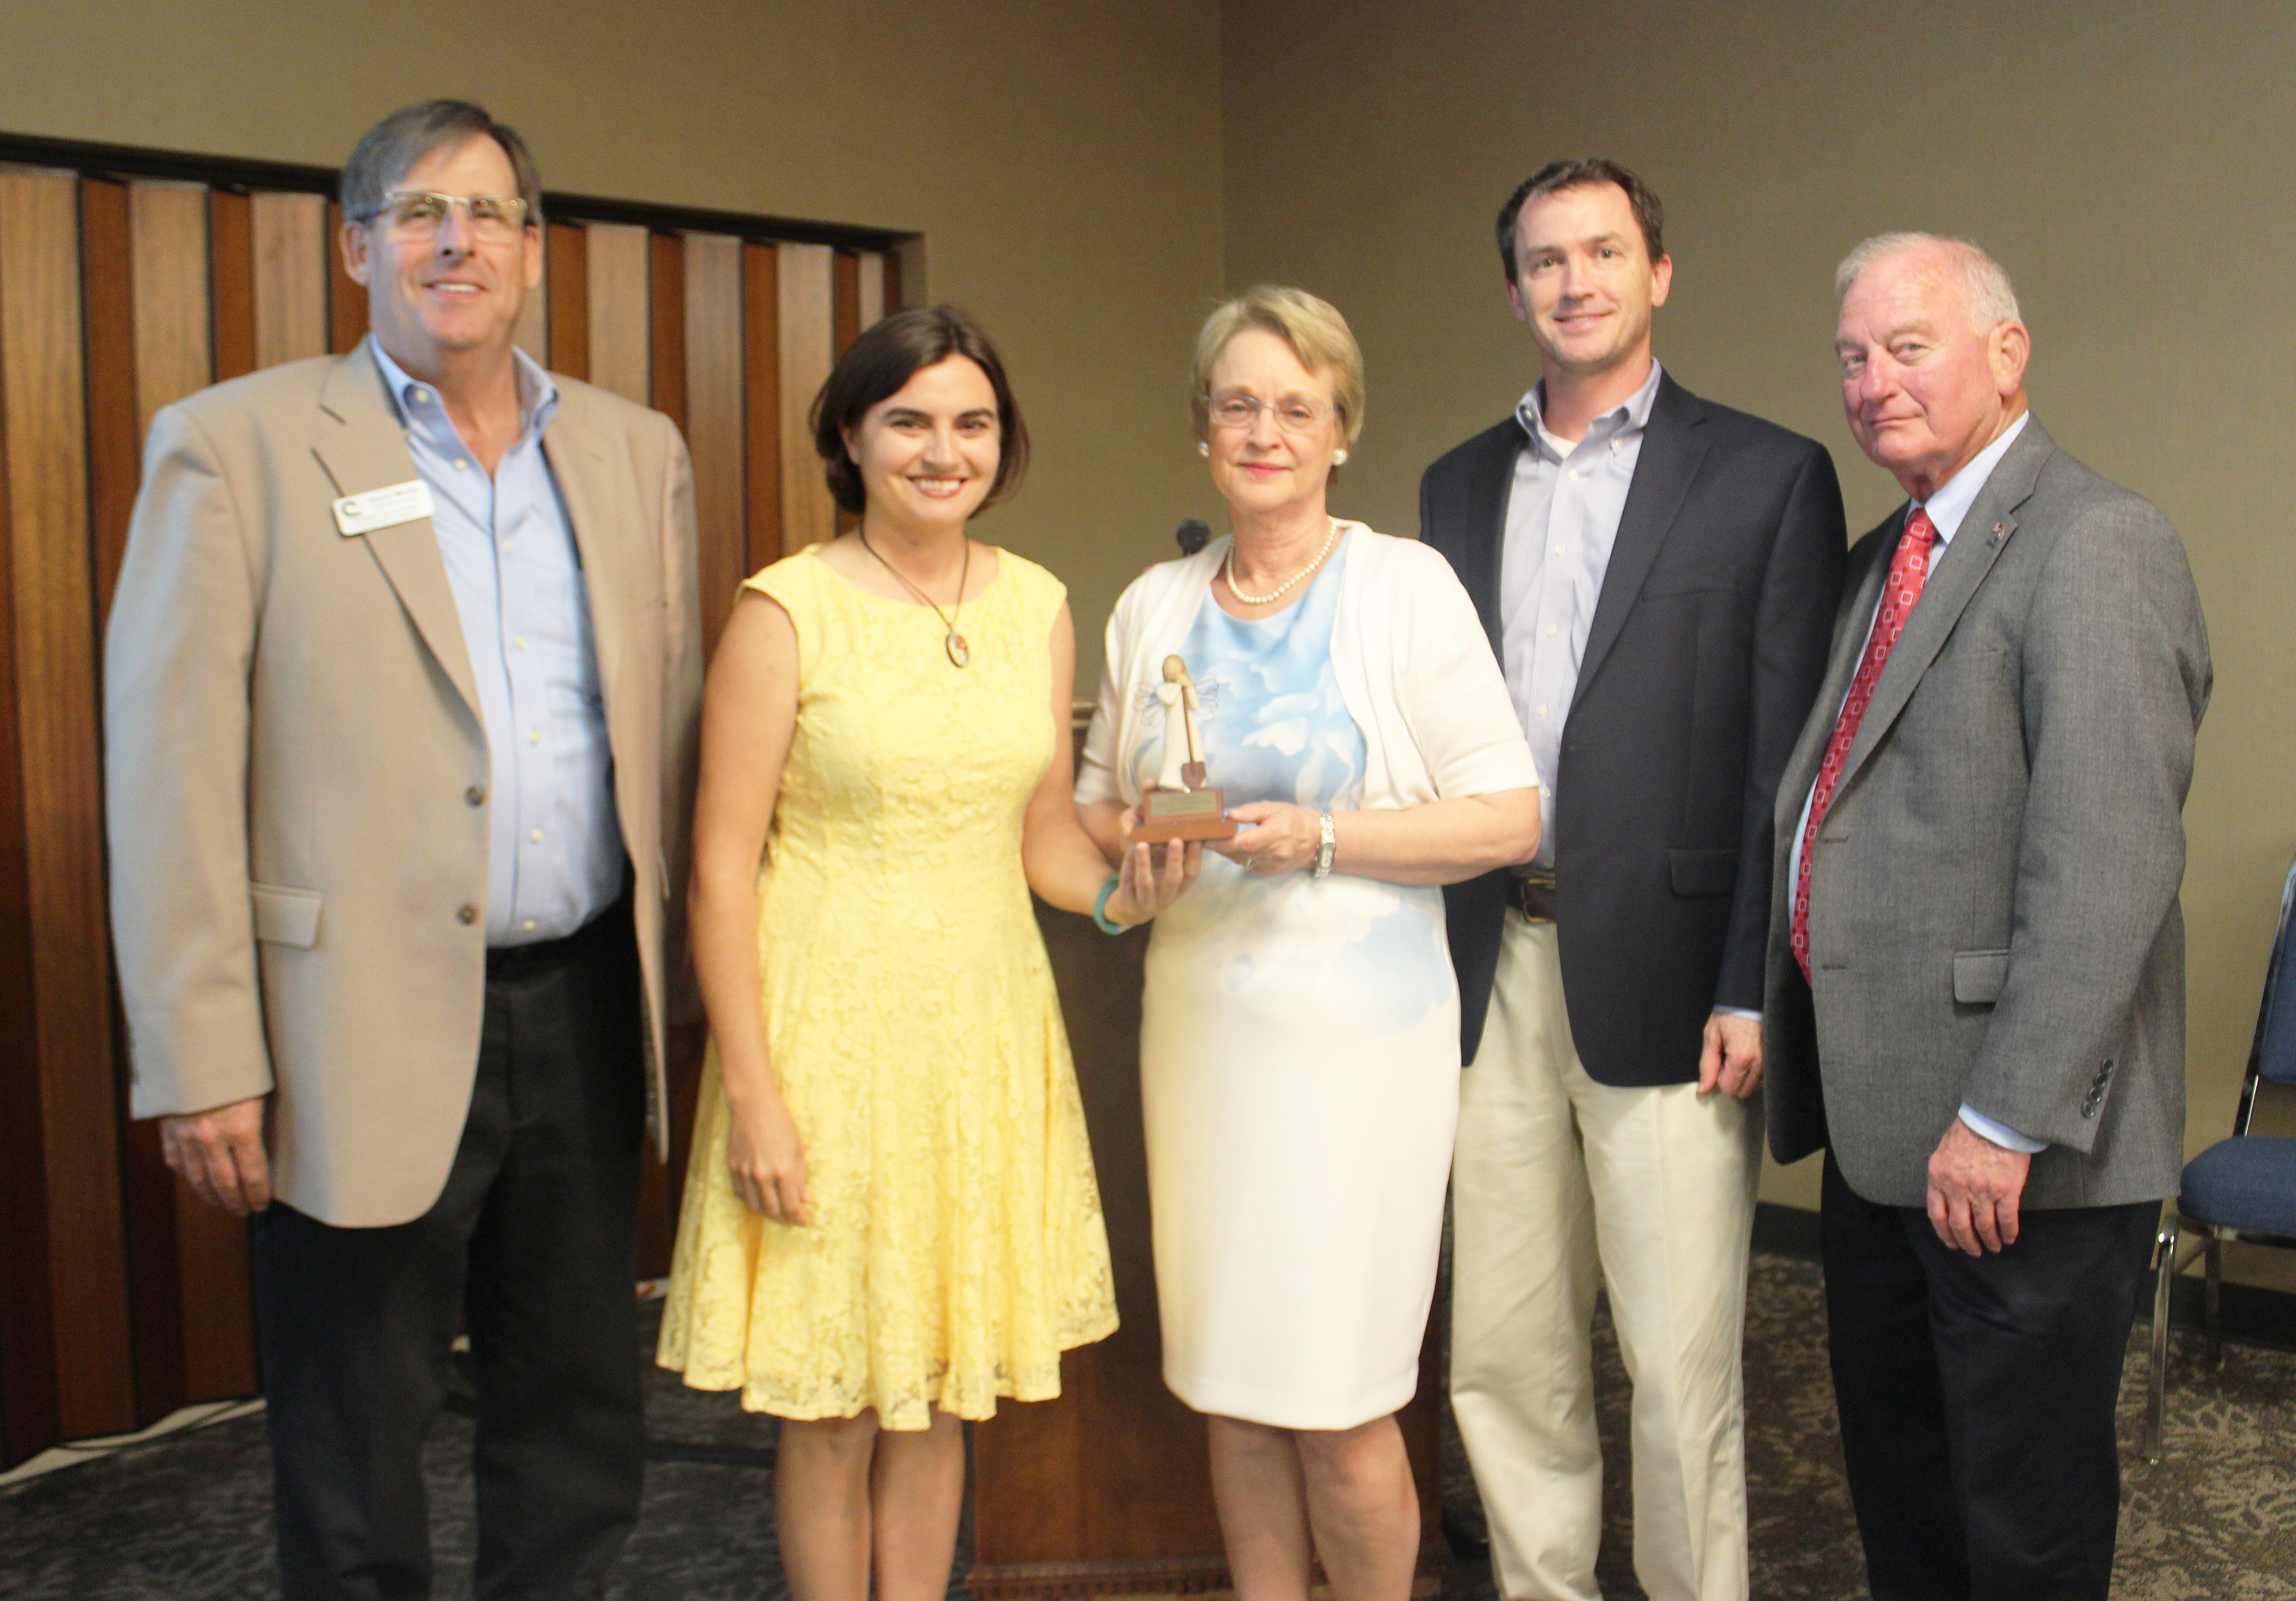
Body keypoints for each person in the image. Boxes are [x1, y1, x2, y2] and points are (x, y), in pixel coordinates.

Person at [104, 100, 703, 1597]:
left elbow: (672, 737)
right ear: (357, 244)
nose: (458, 242)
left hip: (581, 1008)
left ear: (536, 252)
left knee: (580, 1419)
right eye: (421, 212)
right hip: (342, 1020)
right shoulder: (234, 448)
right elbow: (169, 772)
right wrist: (201, 1056)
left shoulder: (634, 454)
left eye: (490, 214)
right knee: (354, 1439)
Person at [657, 306, 1193, 1601]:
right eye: (909, 421)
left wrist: (1129, 897)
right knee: (835, 1404)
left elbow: (1046, 839)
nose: (942, 451)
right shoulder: (785, 613)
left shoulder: (1038, 606)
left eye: (972, 424)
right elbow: (721, 871)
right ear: (851, 434)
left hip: (983, 1034)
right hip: (826, 1040)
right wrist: (757, 1102)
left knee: (948, 1385)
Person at [1418, 158, 1845, 1601]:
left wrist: (1752, 982)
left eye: (1605, 254)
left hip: (1675, 986)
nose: (1577, 282)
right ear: (1516, 289)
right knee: (1502, 1351)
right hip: (1492, 971)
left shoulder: (1768, 475)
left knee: (1676, 1368)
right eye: (1547, 260)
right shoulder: (1457, 484)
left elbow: (1784, 767)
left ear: (1658, 273)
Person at [1077, 287, 1541, 1601]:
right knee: (1232, 1397)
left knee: (1341, 1409)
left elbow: (1510, 817)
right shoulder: (1153, 604)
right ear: (1204, 430)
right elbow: (1102, 798)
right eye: (1240, 405)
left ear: (1341, 429)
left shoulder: (1403, 586)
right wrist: (1145, 855)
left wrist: (1325, 838)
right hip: (1207, 1041)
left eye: (1297, 405)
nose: (1265, 430)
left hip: (1360, 1058)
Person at [1765, 233, 2210, 1599]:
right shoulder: (1880, 558)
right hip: (1887, 1134)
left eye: (1909, 347)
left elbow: (2108, 865)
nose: (1873, 382)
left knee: (2024, 1529)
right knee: (1910, 1504)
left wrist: (2005, 1121)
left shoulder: (2096, 543)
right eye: (1852, 355)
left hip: (2019, 1161)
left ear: (2007, 355)